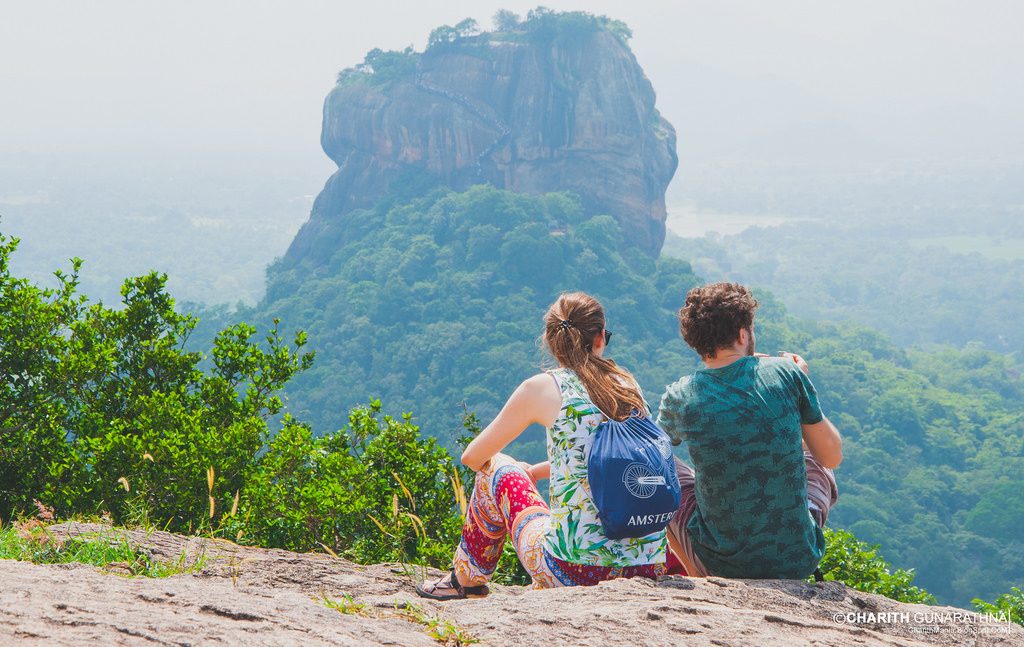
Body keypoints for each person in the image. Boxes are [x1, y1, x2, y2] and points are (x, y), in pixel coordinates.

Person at [416, 292, 668, 599]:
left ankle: (465, 581)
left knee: (495, 467)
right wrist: (538, 470)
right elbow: (616, 461)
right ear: (600, 337)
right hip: (648, 567)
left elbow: (473, 457)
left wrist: (520, 470)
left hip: (572, 572)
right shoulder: (626, 384)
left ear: (551, 341)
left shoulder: (541, 388)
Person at [657, 282, 841, 580]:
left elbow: (652, 454)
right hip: (796, 560)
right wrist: (800, 385)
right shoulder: (786, 373)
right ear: (743, 334)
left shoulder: (681, 395)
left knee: (659, 463)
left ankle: (699, 578)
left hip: (719, 564)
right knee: (814, 452)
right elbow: (832, 456)